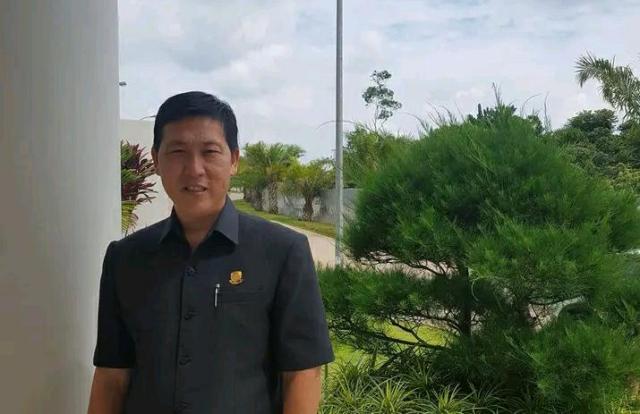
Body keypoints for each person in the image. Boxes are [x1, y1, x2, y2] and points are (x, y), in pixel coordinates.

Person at [87, 91, 334, 414]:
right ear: (157, 160)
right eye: (178, 151)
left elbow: (302, 373)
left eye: (209, 151)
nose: (194, 169)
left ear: (234, 160)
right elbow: (112, 375)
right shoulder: (125, 258)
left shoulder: (283, 252)